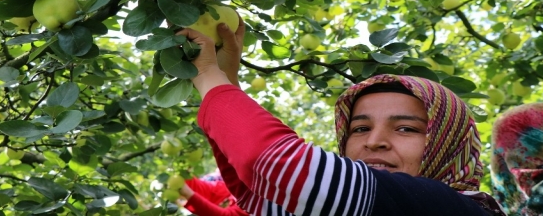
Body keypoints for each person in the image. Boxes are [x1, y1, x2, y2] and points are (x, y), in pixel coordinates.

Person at [176, 18, 505, 215]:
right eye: (360, 128)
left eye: (406, 128)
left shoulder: (450, 209)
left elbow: (277, 166)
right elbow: (260, 194)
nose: (374, 142)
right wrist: (227, 79)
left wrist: (209, 78)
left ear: (450, 143)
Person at [179, 170, 249, 216]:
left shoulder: (254, 202)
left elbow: (228, 215)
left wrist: (188, 194)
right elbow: (206, 190)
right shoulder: (231, 186)